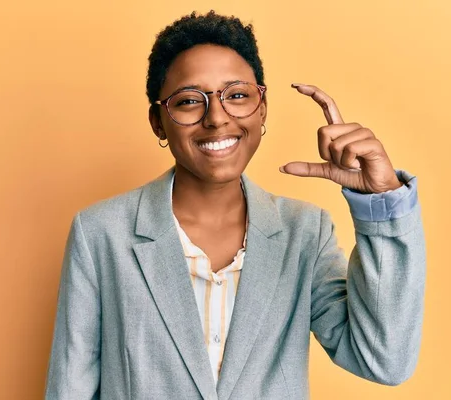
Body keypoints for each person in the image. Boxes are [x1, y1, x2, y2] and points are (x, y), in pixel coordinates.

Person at [45, 11, 425, 400]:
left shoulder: (305, 232)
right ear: (158, 122)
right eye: (189, 101)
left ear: (262, 108)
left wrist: (382, 204)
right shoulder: (101, 233)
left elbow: (384, 360)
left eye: (237, 95)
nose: (216, 118)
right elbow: (70, 388)